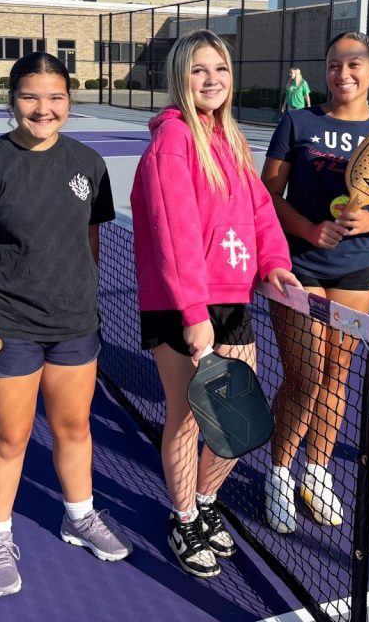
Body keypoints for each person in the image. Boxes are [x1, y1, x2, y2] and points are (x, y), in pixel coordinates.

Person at [0, 51, 132, 597]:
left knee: (75, 429)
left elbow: (90, 239)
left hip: (75, 325)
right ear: (12, 101)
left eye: (55, 98)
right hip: (9, 327)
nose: (43, 108)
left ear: (69, 102)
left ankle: (79, 515)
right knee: (10, 437)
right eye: (30, 97)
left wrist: (81, 299)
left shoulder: (90, 164)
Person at [130, 29, 300, 578]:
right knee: (185, 420)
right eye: (199, 70)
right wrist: (193, 314)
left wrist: (275, 265)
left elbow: (260, 214)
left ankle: (205, 503)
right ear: (181, 77)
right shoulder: (172, 142)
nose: (212, 80)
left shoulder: (232, 142)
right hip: (182, 304)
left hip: (230, 299)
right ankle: (182, 517)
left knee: (236, 419)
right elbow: (175, 233)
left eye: (221, 70)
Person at [261, 31, 369, 533]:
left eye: (355, 64)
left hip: (356, 271)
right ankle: (278, 473)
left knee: (338, 374)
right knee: (305, 375)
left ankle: (315, 472)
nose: (344, 74)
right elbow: (267, 197)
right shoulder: (298, 122)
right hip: (299, 265)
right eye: (335, 65)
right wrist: (310, 229)